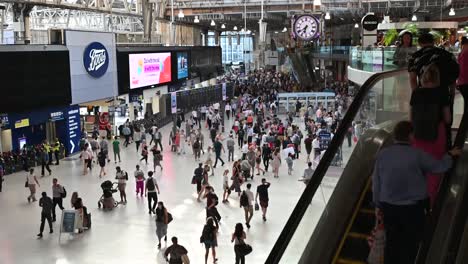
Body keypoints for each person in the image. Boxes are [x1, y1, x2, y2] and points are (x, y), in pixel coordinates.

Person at [372, 121, 460, 264]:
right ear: (411, 135)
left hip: (389, 208)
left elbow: (376, 182)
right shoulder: (417, 155)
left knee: (392, 245)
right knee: (410, 246)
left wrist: (377, 205)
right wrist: (449, 154)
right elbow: (439, 167)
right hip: (413, 210)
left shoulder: (383, 155)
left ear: (395, 136)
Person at [410, 57, 452, 206]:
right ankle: (432, 202)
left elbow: (411, 117)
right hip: (436, 134)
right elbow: (447, 119)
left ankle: (416, 200)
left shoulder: (416, 93)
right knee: (434, 168)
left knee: (418, 167)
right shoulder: (442, 93)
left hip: (417, 134)